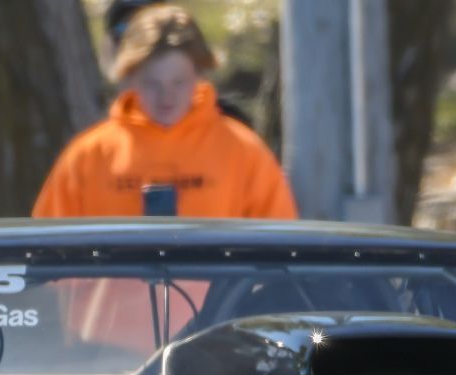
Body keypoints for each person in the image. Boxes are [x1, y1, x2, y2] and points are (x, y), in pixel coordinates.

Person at [33, 4, 297, 219]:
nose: (166, 96)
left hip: (222, 287)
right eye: (152, 83)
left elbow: (282, 255)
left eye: (178, 82)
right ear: (130, 76)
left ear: (199, 75)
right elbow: (46, 258)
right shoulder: (87, 157)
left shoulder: (243, 151)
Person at [102, 0, 254, 128]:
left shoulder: (230, 128)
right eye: (124, 30)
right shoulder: (96, 147)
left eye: (150, 32)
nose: (137, 42)